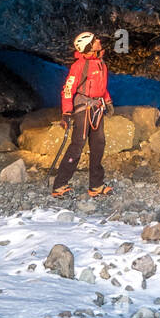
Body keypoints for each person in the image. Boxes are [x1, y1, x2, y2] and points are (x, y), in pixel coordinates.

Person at [49, 31, 114, 198]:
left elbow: (101, 86)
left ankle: (96, 186)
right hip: (83, 109)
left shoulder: (100, 63)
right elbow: (69, 89)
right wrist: (66, 113)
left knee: (98, 145)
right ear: (89, 47)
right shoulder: (79, 66)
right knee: (77, 146)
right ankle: (59, 185)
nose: (99, 41)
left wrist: (107, 101)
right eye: (95, 40)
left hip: (97, 108)